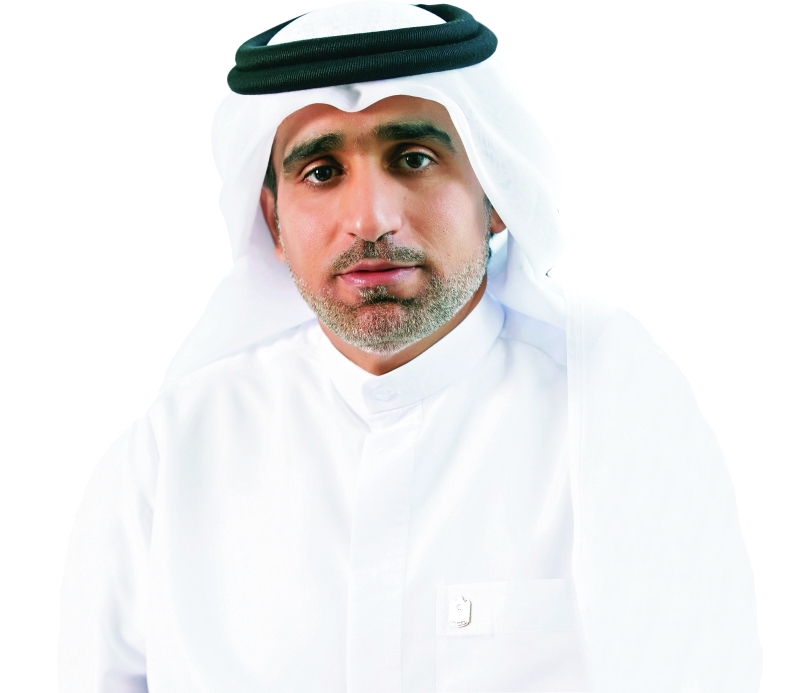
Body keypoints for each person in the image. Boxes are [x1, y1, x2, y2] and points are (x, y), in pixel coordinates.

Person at [58, 3, 761, 691]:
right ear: (273, 221)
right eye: (321, 171)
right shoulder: (168, 455)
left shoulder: (613, 416)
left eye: (414, 158)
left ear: (496, 196)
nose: (370, 220)